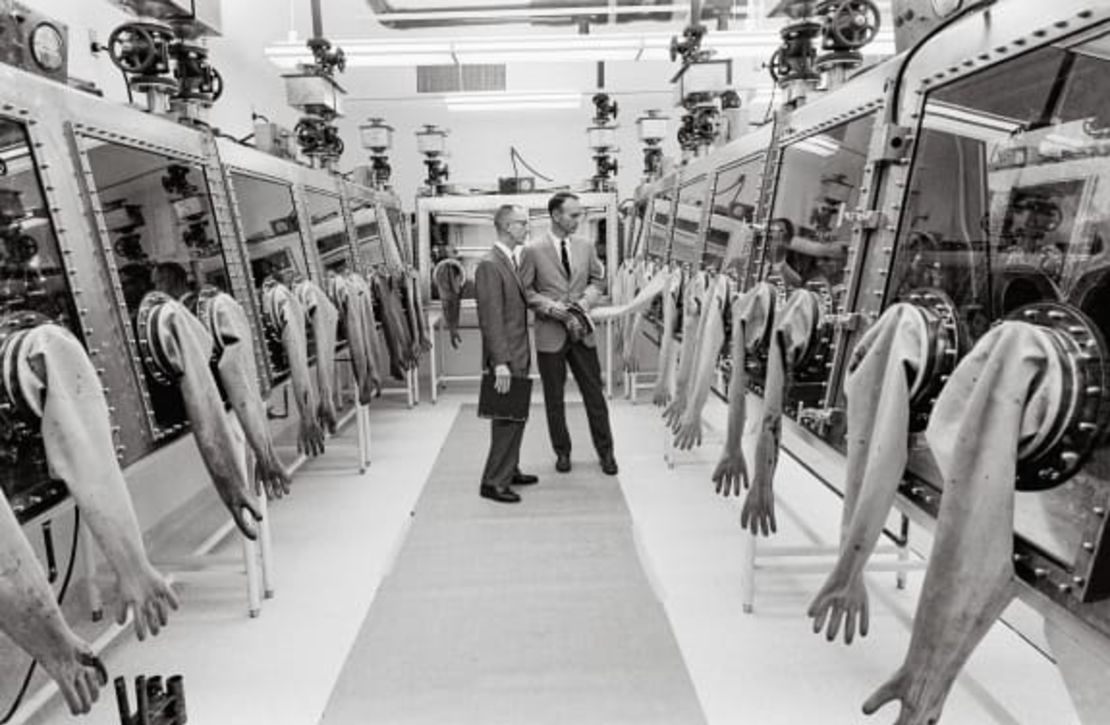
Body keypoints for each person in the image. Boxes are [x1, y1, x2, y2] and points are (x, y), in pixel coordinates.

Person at [519, 192, 618, 476]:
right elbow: (526, 291)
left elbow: (600, 279)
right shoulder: (532, 250)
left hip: (582, 331)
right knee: (554, 398)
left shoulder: (586, 246)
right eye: (573, 215)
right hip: (550, 333)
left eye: (580, 214)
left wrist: (584, 302)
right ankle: (562, 452)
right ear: (555, 215)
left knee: (594, 396)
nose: (579, 220)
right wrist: (551, 308)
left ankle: (606, 454)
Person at [475, 204, 538, 503]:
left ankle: (509, 469)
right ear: (509, 227)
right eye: (523, 223)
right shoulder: (490, 264)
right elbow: (491, 318)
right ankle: (493, 482)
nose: (527, 228)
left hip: (518, 353)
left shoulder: (509, 260)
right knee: (505, 419)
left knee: (515, 416)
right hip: (507, 357)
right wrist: (499, 362)